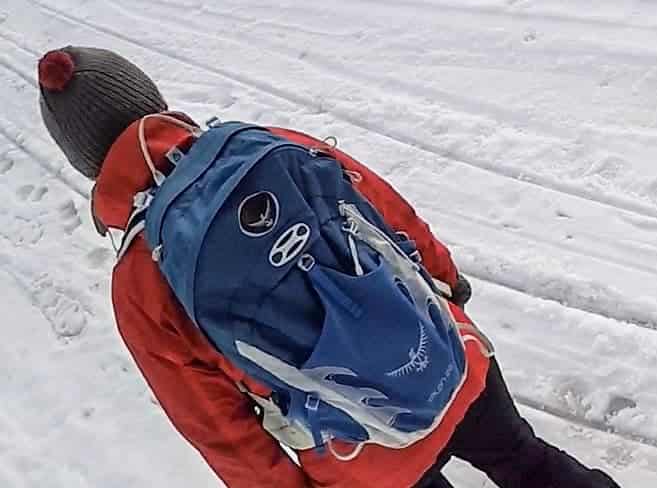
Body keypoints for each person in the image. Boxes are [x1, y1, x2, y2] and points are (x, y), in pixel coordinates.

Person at [36, 45, 620, 488]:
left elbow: (219, 429)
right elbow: (384, 207)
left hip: (358, 447)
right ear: (149, 97)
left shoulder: (139, 282)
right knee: (526, 460)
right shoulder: (263, 143)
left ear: (86, 162)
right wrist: (447, 286)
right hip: (446, 357)